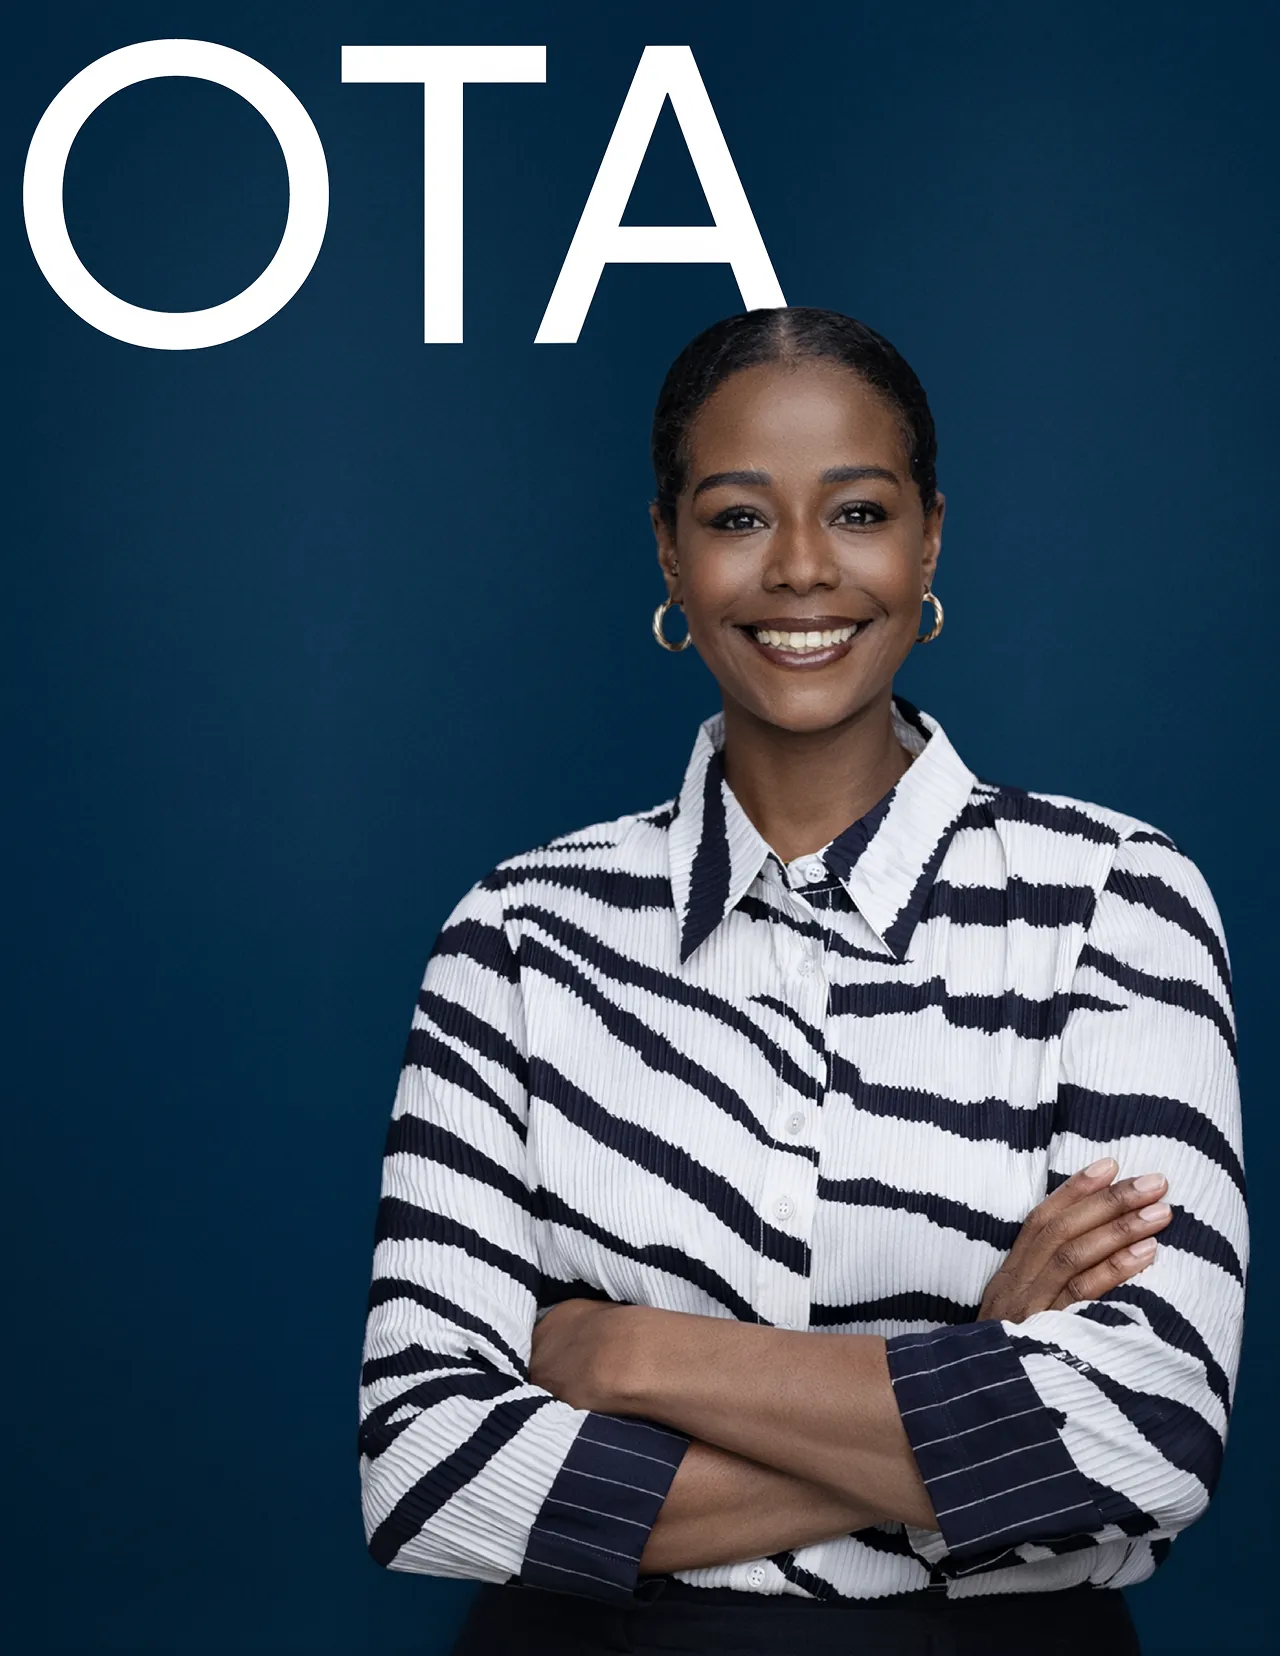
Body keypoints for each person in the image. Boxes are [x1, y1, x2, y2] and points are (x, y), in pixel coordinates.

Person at [355, 307, 1246, 1656]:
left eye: (859, 511)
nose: (802, 571)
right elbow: (427, 1478)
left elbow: (1146, 1437)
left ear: (930, 537)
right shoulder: (520, 935)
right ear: (669, 549)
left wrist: (636, 1358)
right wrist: (973, 1369)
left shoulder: (1115, 898)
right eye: (735, 519)